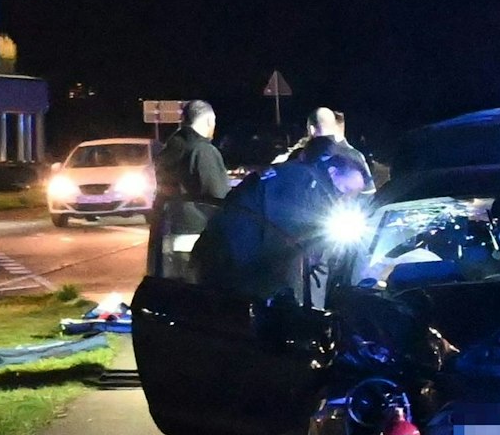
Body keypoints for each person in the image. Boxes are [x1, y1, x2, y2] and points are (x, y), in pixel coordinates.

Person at [192, 136, 370, 304]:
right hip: (239, 268)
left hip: (215, 256)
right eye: (346, 191)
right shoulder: (311, 188)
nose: (346, 199)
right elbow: (299, 253)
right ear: (333, 172)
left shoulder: (293, 173)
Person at [154, 100, 231, 235]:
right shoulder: (203, 150)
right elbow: (218, 196)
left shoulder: (170, 148)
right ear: (209, 121)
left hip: (167, 226)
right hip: (197, 230)